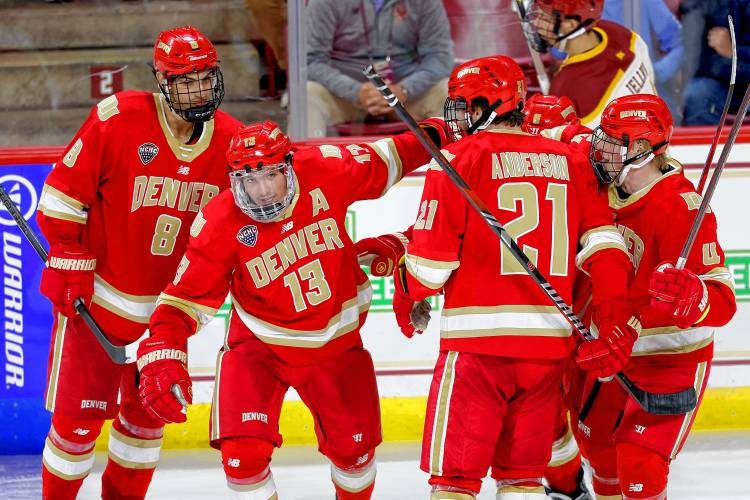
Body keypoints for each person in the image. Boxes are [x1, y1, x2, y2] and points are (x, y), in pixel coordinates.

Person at [135, 118, 451, 499]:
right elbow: (183, 299)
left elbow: (394, 155)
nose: (262, 191)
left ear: (290, 164)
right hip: (258, 348)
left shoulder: (327, 168)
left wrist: (446, 129)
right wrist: (163, 351)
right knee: (242, 458)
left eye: (270, 175)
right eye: (249, 180)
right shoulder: (219, 221)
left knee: (355, 456)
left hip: (336, 345)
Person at [379, 55, 636, 499]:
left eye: (465, 104)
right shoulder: (571, 161)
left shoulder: (459, 159)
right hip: (548, 351)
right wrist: (612, 317)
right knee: (522, 481)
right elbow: (605, 248)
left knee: (455, 481)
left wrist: (406, 286)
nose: (457, 116)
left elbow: (431, 270)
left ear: (490, 104)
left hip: (478, 350)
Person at [36, 26, 242, 499]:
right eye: (184, 79)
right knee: (76, 431)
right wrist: (68, 251)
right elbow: (62, 198)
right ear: (161, 81)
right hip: (98, 310)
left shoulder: (232, 143)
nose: (197, 89)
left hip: (165, 324)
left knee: (143, 434)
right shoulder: (118, 118)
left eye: (205, 77)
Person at [579, 94, 736, 498]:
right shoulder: (602, 191)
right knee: (599, 456)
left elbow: (722, 301)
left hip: (671, 362)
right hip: (614, 354)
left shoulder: (680, 207)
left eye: (615, 143)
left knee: (639, 467)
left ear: (644, 150)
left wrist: (694, 296)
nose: (602, 150)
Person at [306, 0, 454, 136]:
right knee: (306, 94)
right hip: (343, 95)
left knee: (449, 93)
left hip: (406, 95)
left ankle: (456, 162)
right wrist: (355, 91)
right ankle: (306, 162)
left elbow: (440, 58)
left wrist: (404, 90)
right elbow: (310, 61)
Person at [522, 0, 657, 127]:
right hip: (655, 139)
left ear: (571, 24)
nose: (538, 24)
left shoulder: (566, 87)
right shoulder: (623, 35)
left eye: (545, 18)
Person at [602, 0, 684, 121]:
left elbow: (682, 42)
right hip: (595, 93)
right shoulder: (577, 5)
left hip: (643, 90)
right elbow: (563, 55)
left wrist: (656, 73)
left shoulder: (645, 2)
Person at [682, 0, 750, 125]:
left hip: (736, 70)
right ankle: (704, 143)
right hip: (724, 78)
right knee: (697, 95)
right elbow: (696, 53)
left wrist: (734, 51)